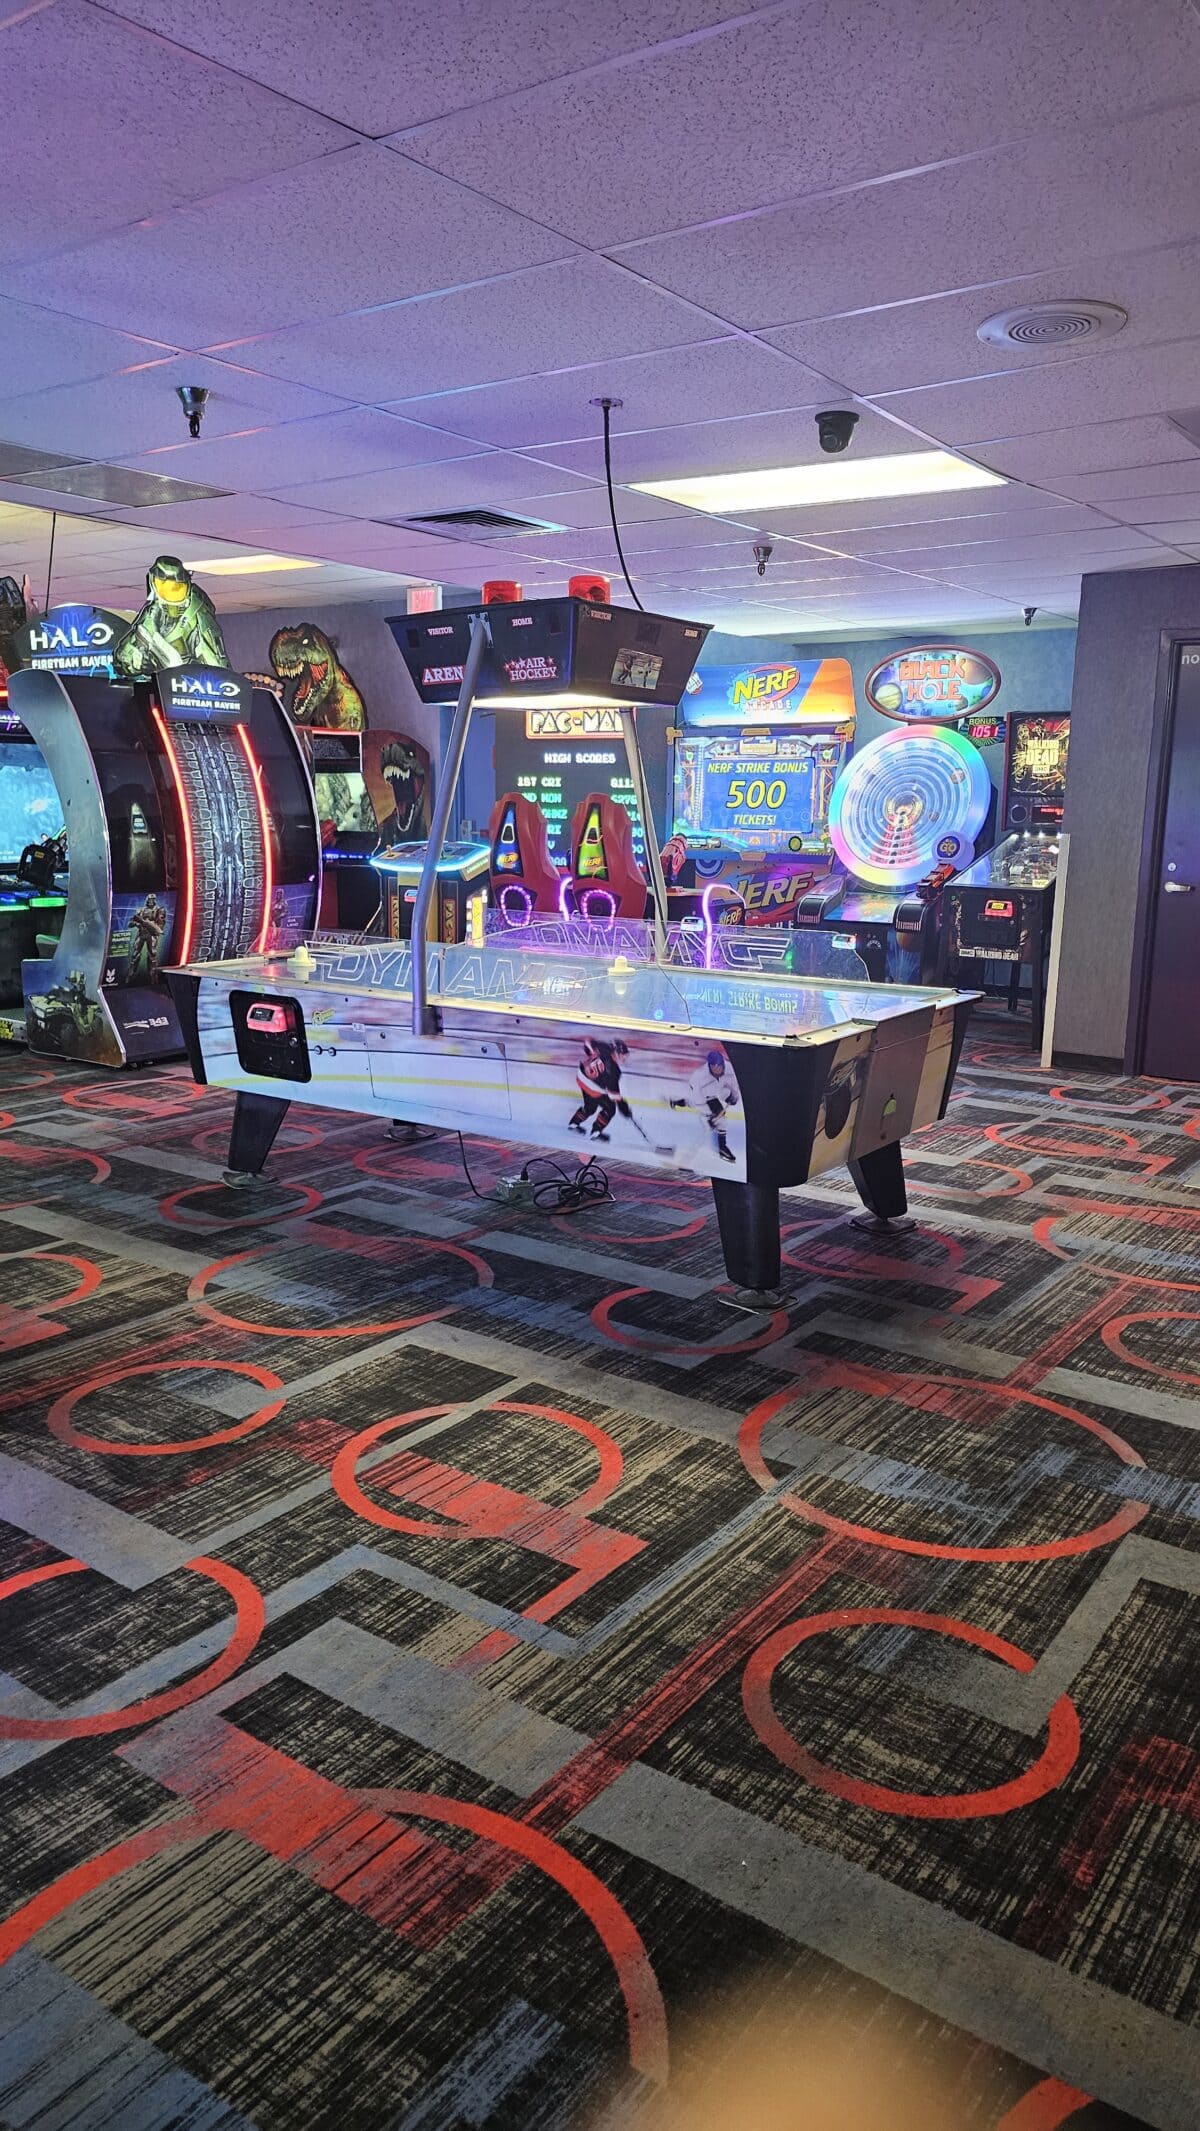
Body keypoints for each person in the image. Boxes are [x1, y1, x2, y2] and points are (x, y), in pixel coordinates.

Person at [671, 1048, 739, 1162]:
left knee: (721, 1107)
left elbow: (735, 1087)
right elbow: (699, 1102)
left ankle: (678, 1102)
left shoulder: (730, 1070)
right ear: (709, 1066)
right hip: (703, 1094)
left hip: (717, 1090)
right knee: (717, 1121)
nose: (717, 1069)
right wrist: (709, 1117)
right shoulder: (699, 1078)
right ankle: (720, 1148)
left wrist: (734, 1098)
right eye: (713, 1066)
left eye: (719, 1066)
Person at [569, 1038, 630, 1141]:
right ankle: (596, 1132)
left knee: (590, 1107)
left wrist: (592, 1052)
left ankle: (574, 1124)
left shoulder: (603, 1048)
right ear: (616, 1053)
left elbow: (587, 1043)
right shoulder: (614, 1071)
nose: (624, 1058)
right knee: (610, 1108)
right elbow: (613, 1094)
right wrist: (624, 1107)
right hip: (592, 1086)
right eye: (622, 1054)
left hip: (582, 1075)